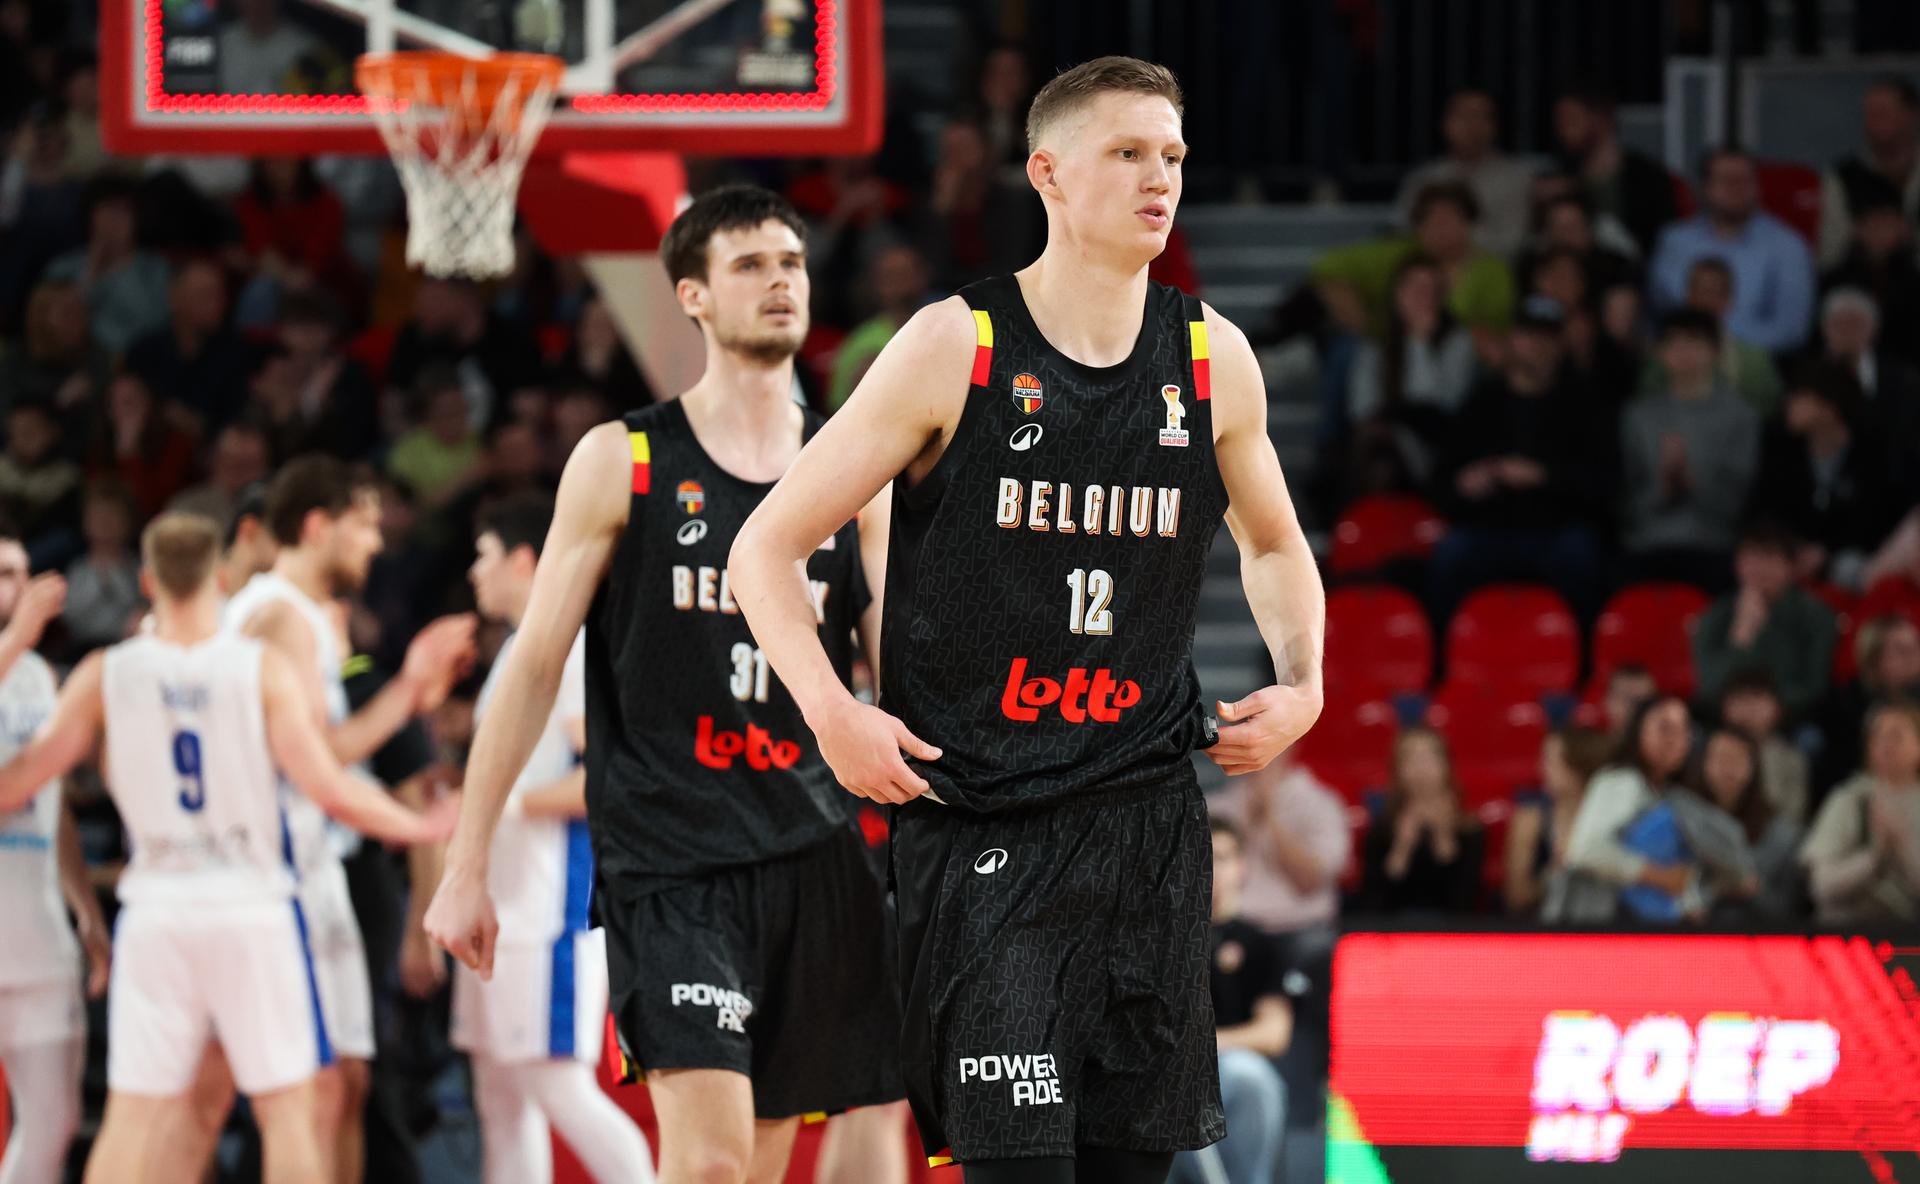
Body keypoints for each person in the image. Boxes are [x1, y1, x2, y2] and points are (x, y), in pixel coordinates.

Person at [728, 57, 1327, 1181]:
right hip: (983, 824)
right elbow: (762, 545)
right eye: (1130, 153)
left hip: (1146, 828)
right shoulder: (957, 345)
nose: (1162, 179)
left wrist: (1306, 680)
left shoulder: (1211, 358)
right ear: (1047, 173)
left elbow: (1277, 543)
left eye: (1175, 157)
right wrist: (831, 712)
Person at [424, 185, 903, 1184]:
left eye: (792, 262)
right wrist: (467, 860)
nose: (780, 281)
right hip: (670, 855)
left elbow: (900, 671)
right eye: (749, 265)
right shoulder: (625, 458)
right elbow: (531, 668)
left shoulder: (856, 472)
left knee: (765, 1161)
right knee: (714, 1161)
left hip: (812, 849)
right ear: (690, 295)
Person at [0, 512, 455, 1184]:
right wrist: (418, 826)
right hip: (249, 903)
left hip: (156, 908)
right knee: (288, 1110)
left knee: (134, 1116)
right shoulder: (260, 669)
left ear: (149, 581)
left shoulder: (106, 672)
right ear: (218, 578)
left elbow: (19, 785)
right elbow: (328, 787)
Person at [190, 458, 476, 1184]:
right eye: (365, 524)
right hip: (280, 873)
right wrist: (408, 693)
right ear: (318, 525)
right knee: (310, 1090)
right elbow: (307, 763)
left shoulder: (304, 616)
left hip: (315, 867)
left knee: (345, 1082)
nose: (375, 543)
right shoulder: (281, 615)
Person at [452, 494, 654, 1183]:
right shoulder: (520, 647)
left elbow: (609, 776)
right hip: (499, 905)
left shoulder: (568, 645)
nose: (473, 574)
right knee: (500, 1101)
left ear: (522, 558)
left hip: (549, 912)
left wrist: (506, 807)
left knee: (560, 1090)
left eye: (482, 557)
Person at [0, 553, 105, 1184]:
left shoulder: (39, 674)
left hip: (37, 932)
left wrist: (86, 909)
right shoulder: (21, 653)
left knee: (56, 1120)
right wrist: (13, 639)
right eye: (1, 574)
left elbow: (53, 801)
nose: (17, 585)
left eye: (21, 572)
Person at [1427, 295, 1613, 627]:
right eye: (1528, 335)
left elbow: (1605, 486)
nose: (1537, 346)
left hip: (1555, 529)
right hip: (1489, 528)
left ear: (1560, 344)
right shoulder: (1481, 403)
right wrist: (1467, 483)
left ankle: (1581, 664)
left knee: (1582, 553)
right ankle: (1445, 664)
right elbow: (1442, 484)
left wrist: (1543, 476)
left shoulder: (1584, 404)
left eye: (1547, 337)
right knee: (1451, 552)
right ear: (1512, 340)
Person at [1170, 819, 1290, 1184]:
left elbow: (1275, 1033)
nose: (1211, 869)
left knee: (1250, 1076)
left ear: (1242, 867)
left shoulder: (1261, 943)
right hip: (1166, 1069)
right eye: (1202, 857)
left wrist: (1208, 1045)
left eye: (1221, 857)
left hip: (1226, 1069)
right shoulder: (1165, 937)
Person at [1619, 309, 1760, 590]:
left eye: (1693, 341)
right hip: (1649, 541)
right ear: (1660, 352)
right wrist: (1665, 486)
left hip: (1714, 542)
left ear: (1715, 349)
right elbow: (1627, 498)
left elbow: (1738, 500)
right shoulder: (1639, 416)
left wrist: (1693, 481)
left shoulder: (1740, 416)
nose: (1683, 352)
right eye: (1673, 343)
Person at [1649, 147, 1816, 355]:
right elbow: (1661, 312)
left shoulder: (1788, 245)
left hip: (1758, 363)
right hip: (1679, 360)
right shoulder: (1674, 241)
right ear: (1703, 187)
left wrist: (1719, 343)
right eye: (1726, 180)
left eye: (1745, 180)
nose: (1736, 188)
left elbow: (1792, 330)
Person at [1751, 361, 1901, 587]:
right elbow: (1765, 509)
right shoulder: (1781, 453)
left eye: (1799, 397)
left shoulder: (1872, 455)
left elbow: (1876, 517)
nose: (1789, 404)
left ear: (1828, 405)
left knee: (1849, 566)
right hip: (1789, 554)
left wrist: (1827, 552)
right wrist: (1792, 547)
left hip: (1853, 558)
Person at [1552, 696, 1697, 923]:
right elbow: (1585, 850)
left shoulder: (1670, 793)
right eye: (1664, 728)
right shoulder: (1621, 780)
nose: (1674, 739)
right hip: (1599, 928)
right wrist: (1661, 877)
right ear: (1638, 730)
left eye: (1682, 730)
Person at [1690, 521, 1837, 728]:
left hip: (1793, 723)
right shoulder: (1714, 616)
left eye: (1769, 556)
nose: (1759, 567)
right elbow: (1707, 688)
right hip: (1725, 723)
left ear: (1790, 566)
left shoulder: (1815, 615)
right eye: (1751, 557)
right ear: (1737, 564)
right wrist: (1741, 637)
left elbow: (1815, 687)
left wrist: (1766, 707)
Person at [1800, 701, 1920, 924]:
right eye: (1877, 737)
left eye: (1896, 736)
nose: (1886, 745)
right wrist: (1875, 857)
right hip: (1849, 930)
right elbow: (1822, 887)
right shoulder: (1849, 799)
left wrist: (1901, 845)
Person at [1393, 88, 1537, 258]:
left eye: (1481, 116)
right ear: (1446, 124)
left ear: (1494, 126)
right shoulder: (1423, 178)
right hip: (1427, 274)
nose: (1472, 125)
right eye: (1463, 116)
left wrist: (1452, 241)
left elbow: (1512, 243)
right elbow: (1401, 231)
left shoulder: (1516, 179)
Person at [1354, 727, 1484, 914]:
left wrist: (1444, 839)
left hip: (1452, 936)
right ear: (1397, 770)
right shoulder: (1381, 830)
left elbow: (1466, 904)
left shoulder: (1470, 829)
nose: (1421, 767)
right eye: (1411, 758)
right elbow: (1373, 905)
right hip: (1394, 934)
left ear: (1447, 766)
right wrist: (1401, 849)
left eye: (1429, 757)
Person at [1639, 257, 1782, 416]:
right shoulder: (1660, 356)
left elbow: (1766, 413)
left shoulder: (1754, 361)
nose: (1704, 301)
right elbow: (1647, 406)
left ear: (1728, 300)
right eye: (1698, 291)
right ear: (1688, 296)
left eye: (1714, 293)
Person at [1688, 725, 1802, 920]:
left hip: (1755, 936)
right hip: (1686, 939)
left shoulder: (1780, 834)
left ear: (1754, 768)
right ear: (1703, 763)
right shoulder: (1681, 819)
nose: (1728, 768)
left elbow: (1790, 909)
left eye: (1737, 759)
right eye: (1721, 758)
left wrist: (1752, 890)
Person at [1551, 87, 1678, 257]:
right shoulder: (1560, 179)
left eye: (1571, 119)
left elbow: (1663, 242)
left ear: (1601, 119)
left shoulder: (1649, 178)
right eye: (1559, 122)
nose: (1562, 130)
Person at [1505, 726, 1610, 916]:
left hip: (1604, 928)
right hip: (1544, 933)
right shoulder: (1531, 820)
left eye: (1551, 761)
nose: (1541, 768)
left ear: (1579, 767)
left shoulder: (1612, 821)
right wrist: (1554, 871)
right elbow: (1516, 897)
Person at [1818, 77, 1920, 269]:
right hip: (1862, 288)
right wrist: (1861, 237)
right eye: (1869, 114)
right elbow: (1828, 256)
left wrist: (1908, 235)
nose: (1873, 122)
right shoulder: (1843, 175)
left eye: (1883, 113)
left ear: (1911, 114)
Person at [1717, 668, 1810, 826]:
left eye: (1757, 698)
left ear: (1777, 709)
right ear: (1724, 708)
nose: (1748, 708)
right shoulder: (1709, 751)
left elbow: (1794, 818)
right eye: (1740, 699)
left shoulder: (1791, 759)